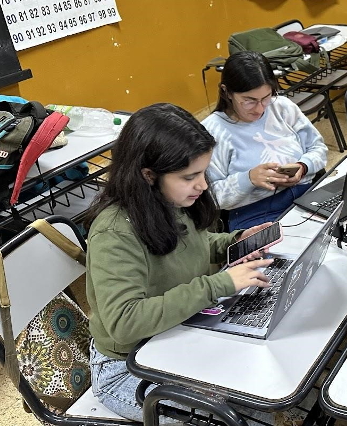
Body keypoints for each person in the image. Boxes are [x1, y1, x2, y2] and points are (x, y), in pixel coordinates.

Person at [85, 103, 274, 424]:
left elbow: (194, 247)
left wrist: (236, 242)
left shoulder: (169, 199)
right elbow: (125, 322)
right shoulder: (114, 232)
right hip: (127, 368)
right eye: (190, 177)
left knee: (256, 384)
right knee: (243, 410)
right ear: (148, 175)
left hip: (175, 337)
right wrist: (218, 285)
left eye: (203, 172)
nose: (203, 185)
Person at [203, 50, 328, 230]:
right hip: (254, 212)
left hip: (305, 195)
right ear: (226, 92)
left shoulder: (282, 107)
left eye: (266, 97)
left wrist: (303, 167)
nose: (260, 109)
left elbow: (318, 148)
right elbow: (209, 197)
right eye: (249, 101)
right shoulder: (212, 131)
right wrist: (248, 179)